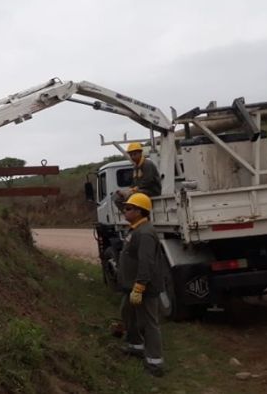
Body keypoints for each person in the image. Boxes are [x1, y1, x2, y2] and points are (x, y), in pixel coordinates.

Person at [119, 192, 165, 377]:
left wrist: (139, 287)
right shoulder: (136, 229)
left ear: (139, 212)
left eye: (129, 208)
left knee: (149, 323)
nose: (125, 211)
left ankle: (155, 364)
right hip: (132, 286)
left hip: (144, 287)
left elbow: (146, 263)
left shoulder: (145, 233)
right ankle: (135, 347)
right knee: (127, 313)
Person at [113, 142, 161, 210]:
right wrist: (127, 190)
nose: (132, 157)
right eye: (131, 155)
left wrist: (132, 190)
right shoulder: (136, 167)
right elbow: (134, 183)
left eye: (135, 154)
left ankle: (137, 215)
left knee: (131, 196)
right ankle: (127, 214)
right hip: (141, 190)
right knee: (117, 199)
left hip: (152, 190)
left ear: (140, 153)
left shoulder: (147, 164)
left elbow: (148, 181)